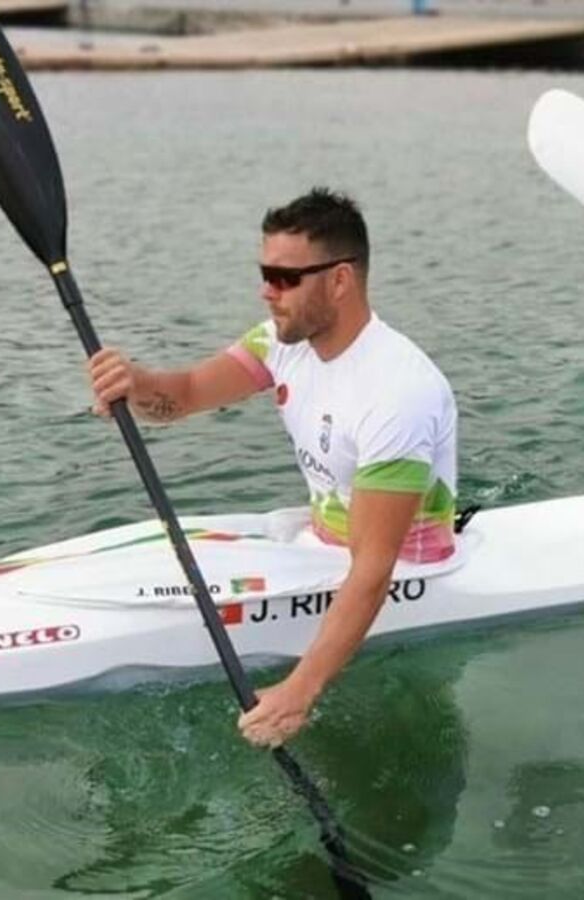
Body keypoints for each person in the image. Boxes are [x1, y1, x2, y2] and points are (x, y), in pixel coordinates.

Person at [88, 187, 458, 746]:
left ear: (340, 279)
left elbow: (374, 569)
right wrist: (134, 382)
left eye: (285, 278)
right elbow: (184, 394)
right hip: (320, 542)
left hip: (405, 571)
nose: (267, 292)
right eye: (265, 273)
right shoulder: (281, 344)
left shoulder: (399, 391)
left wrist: (299, 692)